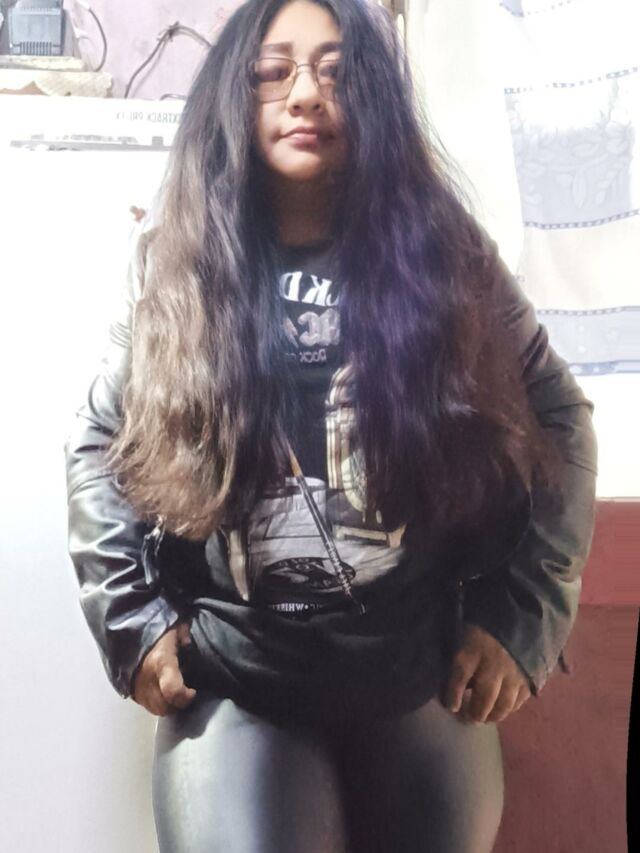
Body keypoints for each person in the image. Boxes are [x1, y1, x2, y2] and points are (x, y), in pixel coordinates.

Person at [65, 1, 597, 851]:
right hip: (238, 684)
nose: (306, 93)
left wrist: (525, 613)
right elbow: (99, 443)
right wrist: (131, 617)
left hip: (418, 678)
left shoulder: (447, 255)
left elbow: (560, 418)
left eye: (336, 72)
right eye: (273, 72)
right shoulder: (180, 261)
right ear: (233, 98)